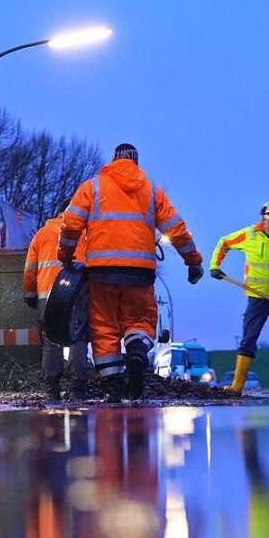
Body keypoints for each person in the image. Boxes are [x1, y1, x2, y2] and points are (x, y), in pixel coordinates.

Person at [58, 143, 204, 402]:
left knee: (104, 328)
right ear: (136, 162)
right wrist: (193, 262)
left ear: (113, 160)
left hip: (101, 274)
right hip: (140, 274)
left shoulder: (92, 187)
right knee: (140, 321)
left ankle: (113, 386)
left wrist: (66, 257)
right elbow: (177, 230)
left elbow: (70, 225)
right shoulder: (151, 192)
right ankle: (136, 353)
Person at [209, 201, 269, 398]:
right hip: (256, 298)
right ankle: (236, 387)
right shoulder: (249, 234)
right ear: (263, 218)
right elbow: (224, 243)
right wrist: (215, 265)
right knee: (249, 339)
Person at [23, 200, 89, 401]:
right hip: (78, 296)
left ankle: (52, 387)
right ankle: (78, 387)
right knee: (78, 340)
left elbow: (30, 270)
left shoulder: (42, 235)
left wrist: (30, 295)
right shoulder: (85, 234)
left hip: (47, 297)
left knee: (52, 341)